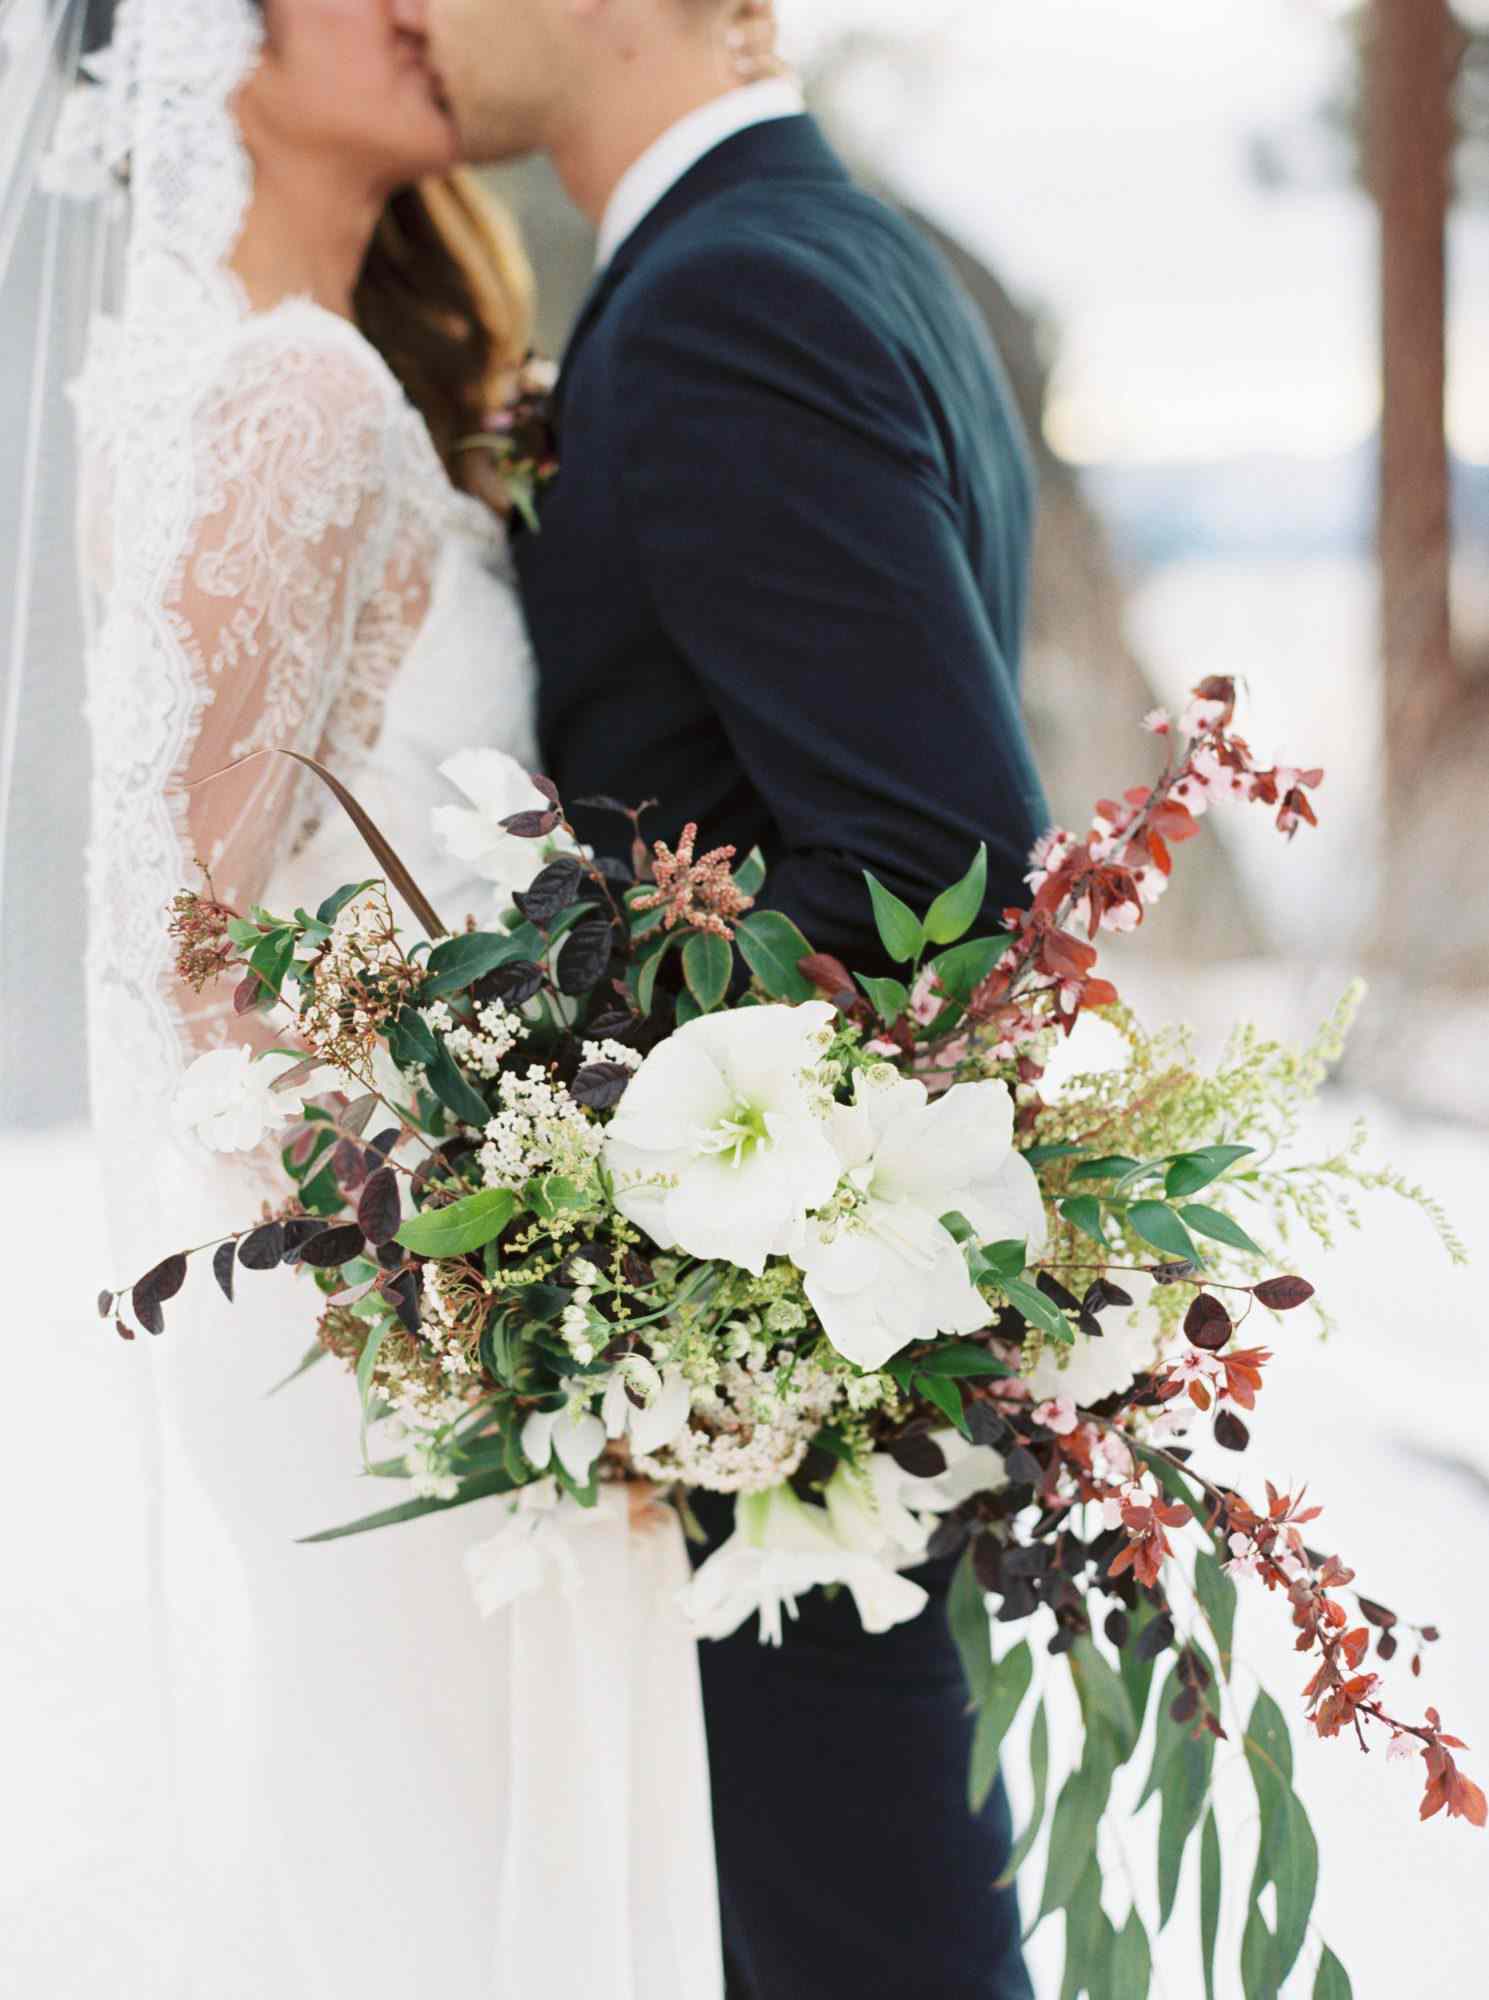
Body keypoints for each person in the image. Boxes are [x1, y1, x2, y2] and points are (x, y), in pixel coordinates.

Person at [33, 0, 778, 1993]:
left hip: (412, 1263)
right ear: (212, 51)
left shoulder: (312, 378)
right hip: (381, 1288)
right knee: (455, 1902)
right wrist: (476, 1215)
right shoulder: (281, 393)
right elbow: (188, 944)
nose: (422, 7)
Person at [412, 0, 1047, 1993]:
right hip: (773, 1370)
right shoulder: (810, 250)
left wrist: (538, 1070)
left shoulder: (726, 299)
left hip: (773, 1386)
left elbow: (941, 871)